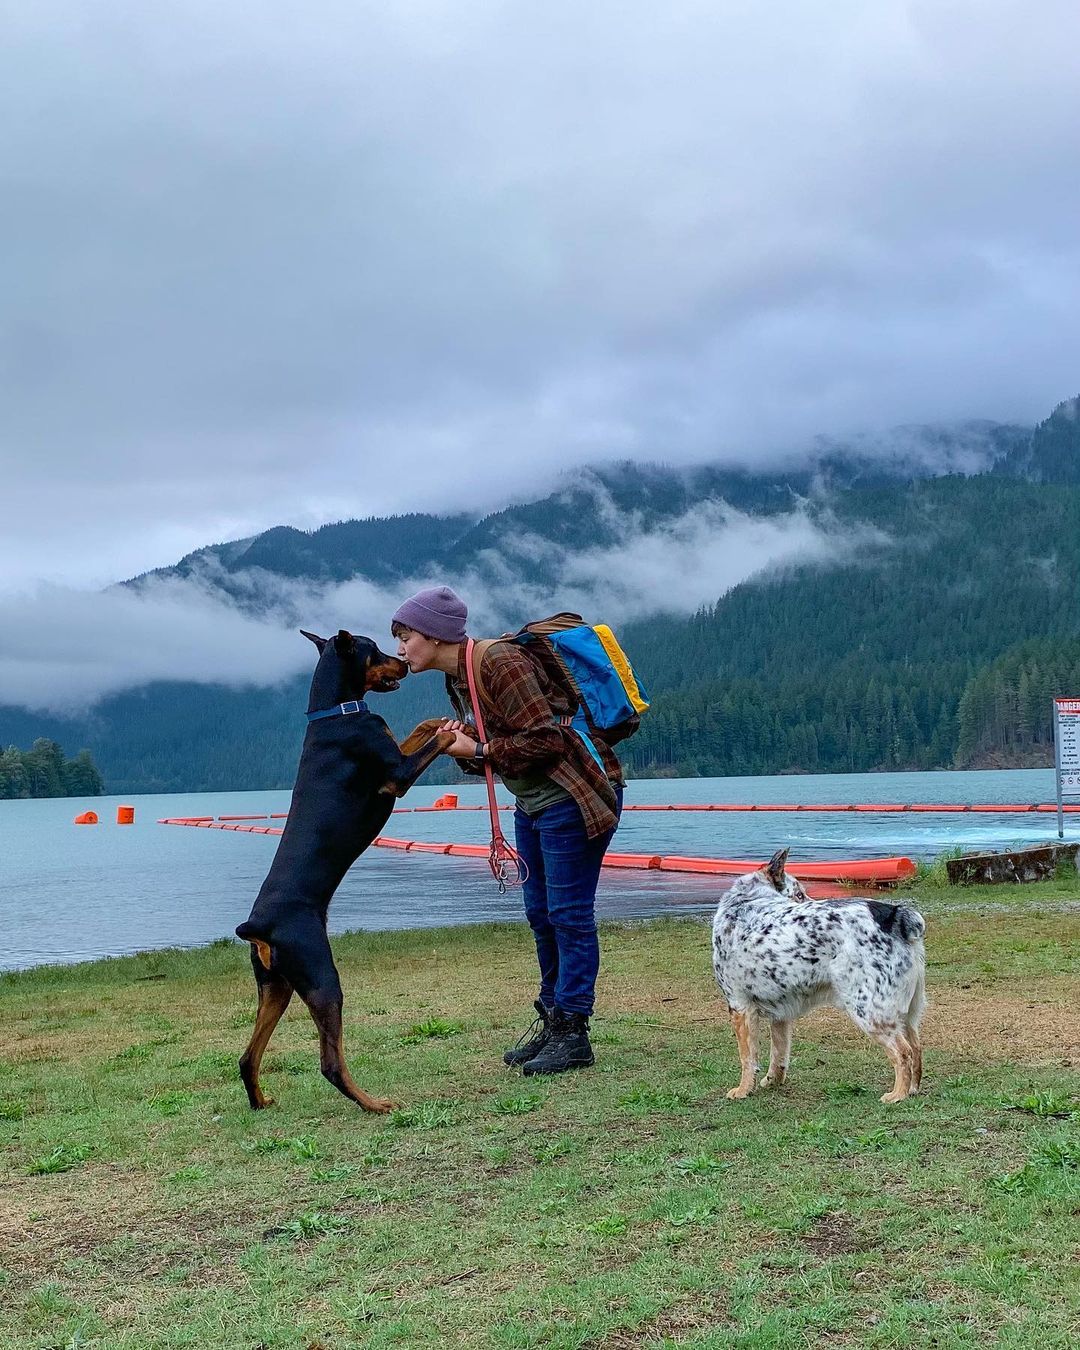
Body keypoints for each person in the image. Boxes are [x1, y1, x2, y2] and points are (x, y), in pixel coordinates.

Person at [390, 585, 624, 1075]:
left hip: (572, 795)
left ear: (433, 635)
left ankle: (574, 1033)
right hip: (533, 803)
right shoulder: (460, 678)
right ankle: (553, 1019)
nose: (399, 647)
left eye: (405, 635)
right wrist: (469, 744)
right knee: (541, 914)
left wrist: (476, 750)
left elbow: (545, 740)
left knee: (569, 915)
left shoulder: (499, 663)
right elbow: (503, 747)